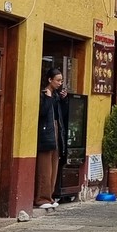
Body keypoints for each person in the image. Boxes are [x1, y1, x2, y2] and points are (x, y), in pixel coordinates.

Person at [35, 68, 66, 209]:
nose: (60, 83)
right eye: (58, 80)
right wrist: (47, 98)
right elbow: (42, 113)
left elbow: (61, 115)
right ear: (49, 79)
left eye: (61, 80)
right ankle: (42, 198)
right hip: (46, 133)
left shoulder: (56, 95)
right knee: (45, 168)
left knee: (54, 167)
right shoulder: (44, 94)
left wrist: (64, 100)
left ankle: (50, 196)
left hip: (56, 132)